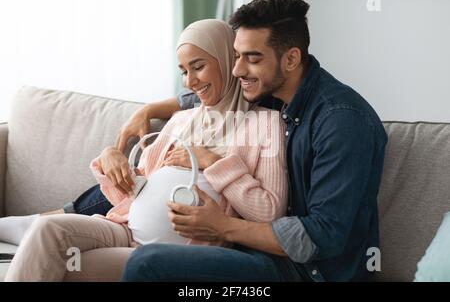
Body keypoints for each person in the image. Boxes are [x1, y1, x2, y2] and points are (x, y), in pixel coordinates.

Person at [119, 0, 388, 282]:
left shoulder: (340, 121)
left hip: (305, 272)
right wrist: (149, 110)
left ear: (291, 59)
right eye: (237, 56)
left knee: (147, 264)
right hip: (252, 252)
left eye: (252, 58)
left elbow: (323, 236)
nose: (237, 70)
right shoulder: (274, 92)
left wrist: (223, 227)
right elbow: (208, 95)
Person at [4, 19, 288, 281]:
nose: (190, 82)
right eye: (184, 72)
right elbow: (133, 191)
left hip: (167, 255)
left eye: (198, 67)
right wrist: (111, 162)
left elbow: (269, 212)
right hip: (124, 230)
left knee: (61, 262)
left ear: (227, 60)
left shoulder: (265, 124)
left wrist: (212, 162)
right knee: (47, 230)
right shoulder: (181, 120)